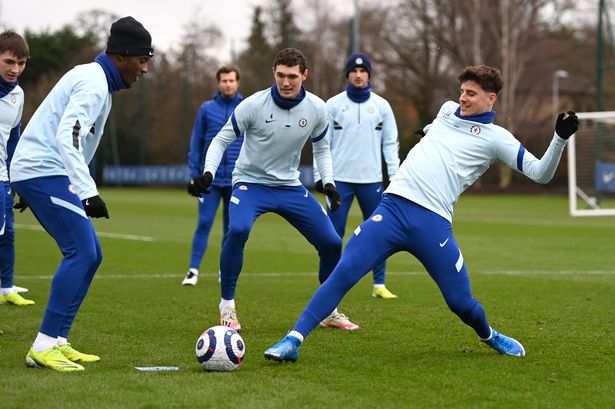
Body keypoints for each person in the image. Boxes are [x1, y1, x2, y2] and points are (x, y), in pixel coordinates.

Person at [264, 65, 579, 361]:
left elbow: (541, 173)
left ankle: (489, 334)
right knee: (344, 272)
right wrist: (427, 130)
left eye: (471, 93)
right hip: (392, 209)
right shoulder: (445, 111)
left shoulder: (498, 139)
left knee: (461, 303)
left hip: (433, 224)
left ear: (490, 98)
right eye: (462, 91)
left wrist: (559, 139)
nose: (462, 97)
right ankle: (293, 339)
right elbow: (441, 127)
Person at [10, 16, 154, 372]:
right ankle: (43, 345)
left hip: (44, 172)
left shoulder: (94, 78)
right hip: (45, 170)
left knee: (90, 254)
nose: (145, 69)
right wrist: (88, 192)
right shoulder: (92, 83)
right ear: (122, 56)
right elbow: (67, 135)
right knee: (82, 251)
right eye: (142, 60)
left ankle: (58, 340)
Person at [191, 48, 359, 332]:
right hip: (250, 183)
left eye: (292, 76)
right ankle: (227, 305)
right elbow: (221, 140)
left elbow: (322, 148)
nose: (286, 82)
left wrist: (328, 182)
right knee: (239, 229)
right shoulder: (254, 105)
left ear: (304, 75)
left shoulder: (317, 108)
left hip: (289, 186)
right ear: (274, 73)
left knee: (331, 242)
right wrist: (207, 172)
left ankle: (329, 311)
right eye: (280, 75)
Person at [314, 52, 400, 299]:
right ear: (348, 74)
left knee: (379, 233)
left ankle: (379, 284)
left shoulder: (382, 106)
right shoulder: (332, 104)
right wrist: (323, 176)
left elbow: (390, 143)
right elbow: (321, 143)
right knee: (332, 235)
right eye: (354, 71)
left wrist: (394, 177)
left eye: (363, 71)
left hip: (372, 181)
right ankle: (328, 285)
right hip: (339, 181)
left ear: (369, 75)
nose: (359, 75)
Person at [182, 65, 243, 286]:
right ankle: (193, 270)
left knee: (231, 227)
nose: (228, 84)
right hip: (210, 180)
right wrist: (194, 175)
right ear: (218, 83)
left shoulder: (246, 108)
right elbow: (196, 144)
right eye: (224, 80)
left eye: (232, 80)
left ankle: (223, 271)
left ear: (237, 83)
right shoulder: (206, 109)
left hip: (236, 180)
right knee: (204, 223)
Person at [0, 31, 34, 306]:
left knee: (7, 233)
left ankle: (6, 288)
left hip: (3, 177)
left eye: (21, 63)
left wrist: (18, 178)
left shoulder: (18, 94)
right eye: (9, 62)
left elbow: (14, 139)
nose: (15, 69)